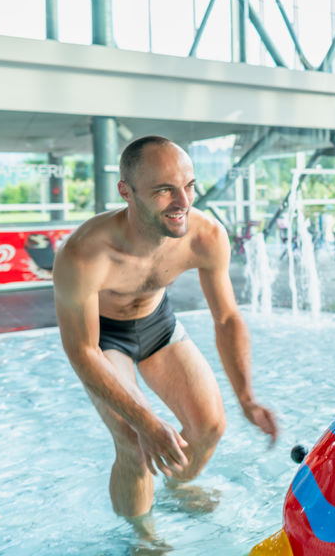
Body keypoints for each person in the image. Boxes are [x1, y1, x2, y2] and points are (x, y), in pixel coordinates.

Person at [53, 136, 277, 538]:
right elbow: (82, 350)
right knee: (134, 444)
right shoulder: (85, 253)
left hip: (158, 323)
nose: (182, 201)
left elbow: (226, 318)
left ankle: (176, 485)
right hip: (104, 338)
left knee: (210, 427)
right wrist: (148, 424)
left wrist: (246, 397)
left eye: (189, 186)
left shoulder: (205, 235)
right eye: (163, 191)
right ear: (126, 191)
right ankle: (142, 537)